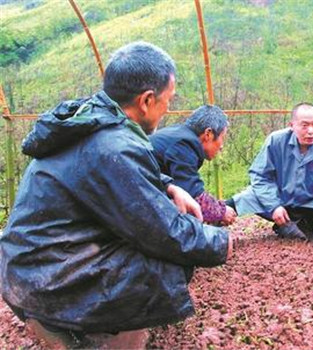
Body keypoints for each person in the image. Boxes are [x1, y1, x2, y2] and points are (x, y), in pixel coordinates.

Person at [0, 42, 233, 349]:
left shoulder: (93, 120)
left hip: (28, 267)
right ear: (147, 100)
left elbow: (107, 172)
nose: (168, 110)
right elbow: (164, 233)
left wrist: (168, 185)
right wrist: (221, 243)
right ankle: (75, 332)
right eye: (168, 100)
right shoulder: (114, 145)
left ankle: (67, 321)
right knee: (169, 262)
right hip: (48, 281)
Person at [227, 102, 313, 240]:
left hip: (310, 203)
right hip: (277, 197)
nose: (311, 131)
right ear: (292, 126)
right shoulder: (275, 141)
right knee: (243, 199)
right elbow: (260, 177)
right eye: (305, 125)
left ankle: (299, 225)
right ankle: (209, 227)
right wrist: (274, 206)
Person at [150, 105, 237, 226]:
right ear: (208, 134)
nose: (222, 146)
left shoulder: (179, 135)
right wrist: (221, 211)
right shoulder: (184, 145)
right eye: (222, 138)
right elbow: (192, 194)